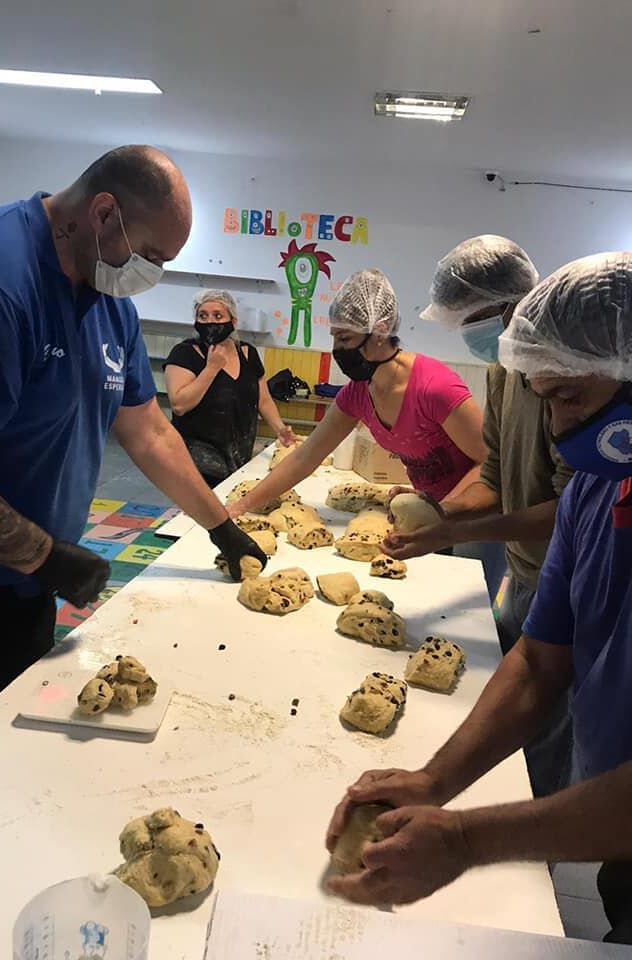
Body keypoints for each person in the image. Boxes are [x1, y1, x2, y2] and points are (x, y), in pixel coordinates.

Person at [0, 145, 265, 765]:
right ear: (103, 212)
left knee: (15, 754)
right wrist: (46, 556)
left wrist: (223, 528)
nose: (152, 273)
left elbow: (150, 432)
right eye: (152, 256)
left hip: (22, 586)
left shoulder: (108, 303)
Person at [325, 252, 632, 945]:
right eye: (544, 398)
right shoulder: (594, 486)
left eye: (572, 398)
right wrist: (433, 781)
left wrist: (465, 840)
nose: (557, 430)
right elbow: (539, 661)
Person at [383, 235, 575, 797]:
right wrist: (438, 514)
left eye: (472, 319)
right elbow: (494, 475)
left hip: (567, 582)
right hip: (523, 572)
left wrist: (459, 529)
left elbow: (568, 511)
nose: (469, 335)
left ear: (512, 305)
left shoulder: (562, 382)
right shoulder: (502, 373)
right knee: (505, 699)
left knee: (544, 723)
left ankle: (533, 844)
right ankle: (489, 799)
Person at [229, 268, 487, 517]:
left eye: (345, 339)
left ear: (380, 331)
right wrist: (242, 506)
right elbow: (306, 457)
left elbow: (490, 462)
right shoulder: (358, 393)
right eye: (334, 338)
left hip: (472, 517)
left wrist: (443, 513)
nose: (337, 350)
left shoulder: (434, 388)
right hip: (432, 515)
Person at [164, 289, 295, 487]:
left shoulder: (247, 352)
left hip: (238, 455)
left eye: (218, 316)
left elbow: (263, 399)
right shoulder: (184, 353)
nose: (210, 322)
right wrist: (211, 368)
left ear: (233, 321)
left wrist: (280, 429)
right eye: (203, 315)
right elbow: (180, 404)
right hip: (195, 460)